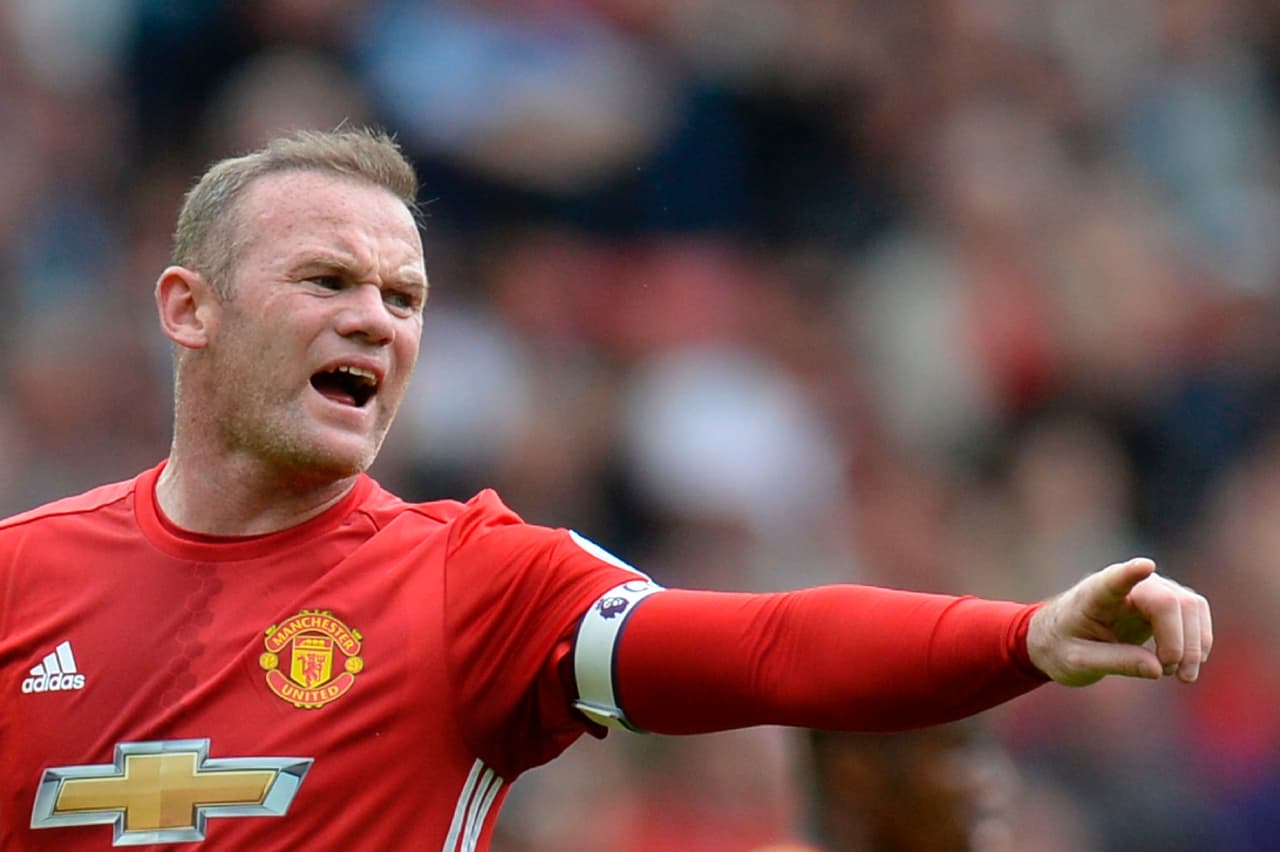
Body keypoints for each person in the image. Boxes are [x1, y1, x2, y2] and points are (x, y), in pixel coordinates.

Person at [0, 128, 1211, 851]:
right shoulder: (20, 580)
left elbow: (762, 648)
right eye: (325, 278)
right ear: (187, 308)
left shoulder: (469, 582)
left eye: (405, 297)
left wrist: (1025, 636)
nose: (373, 318)